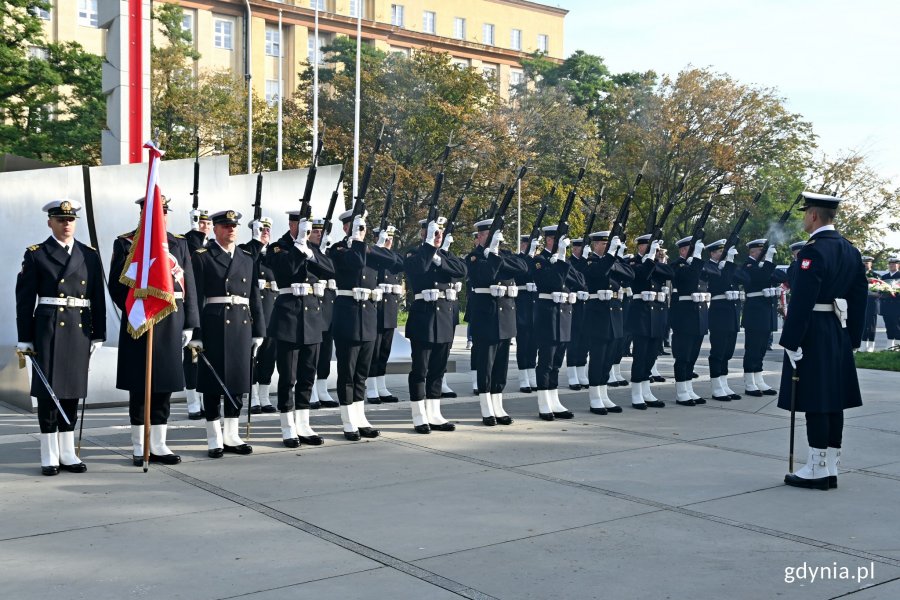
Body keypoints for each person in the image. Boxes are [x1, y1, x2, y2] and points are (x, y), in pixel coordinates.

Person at [779, 192, 868, 490]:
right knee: (833, 400)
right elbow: (859, 298)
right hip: (838, 329)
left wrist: (791, 340)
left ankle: (816, 468)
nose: (805, 218)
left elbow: (802, 300)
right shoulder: (850, 251)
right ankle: (830, 465)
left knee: (816, 398)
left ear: (814, 216)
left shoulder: (812, 251)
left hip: (813, 330)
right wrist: (852, 337)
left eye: (806, 213)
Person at [16, 200, 106, 475]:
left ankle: (68, 453)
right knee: (48, 393)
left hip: (79, 328)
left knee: (72, 391)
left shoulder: (88, 254)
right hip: (49, 329)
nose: (66, 224)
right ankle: (49, 455)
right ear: (50, 222)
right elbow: (24, 299)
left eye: (70, 220)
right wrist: (25, 337)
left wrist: (98, 333)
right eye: (60, 220)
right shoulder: (37, 254)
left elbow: (97, 297)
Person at [109, 197, 199, 467]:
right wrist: (140, 303)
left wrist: (190, 322)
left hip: (171, 319)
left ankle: (159, 444)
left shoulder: (179, 243)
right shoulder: (126, 242)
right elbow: (116, 284)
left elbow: (189, 283)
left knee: (164, 385)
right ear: (142, 214)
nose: (160, 217)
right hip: (140, 321)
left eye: (163, 212)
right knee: (140, 384)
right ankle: (140, 446)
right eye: (153, 212)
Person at [189, 210, 265, 457]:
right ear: (215, 229)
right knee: (213, 383)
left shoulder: (246, 257)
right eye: (225, 225)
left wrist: (259, 331)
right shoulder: (203, 256)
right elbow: (196, 297)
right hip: (214, 323)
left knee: (238, 381)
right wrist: (196, 332)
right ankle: (215, 438)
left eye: (234, 225)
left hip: (242, 324)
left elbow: (255, 296)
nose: (231, 229)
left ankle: (232, 435)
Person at [266, 210, 335, 447]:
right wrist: (298, 248)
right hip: (288, 319)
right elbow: (284, 269)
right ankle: (288, 426)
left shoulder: (311, 247)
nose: (304, 230)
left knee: (308, 375)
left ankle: (304, 424)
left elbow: (329, 269)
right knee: (288, 377)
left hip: (312, 320)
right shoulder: (278, 246)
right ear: (291, 224)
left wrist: (311, 254)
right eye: (299, 225)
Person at [328, 209, 398, 440]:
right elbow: (356, 264)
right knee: (347, 373)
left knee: (361, 373)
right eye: (356, 226)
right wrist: (358, 243)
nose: (361, 230)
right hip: (347, 316)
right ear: (346, 227)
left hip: (369, 317)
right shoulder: (337, 249)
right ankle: (348, 421)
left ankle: (360, 417)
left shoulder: (367, 248)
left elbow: (394, 261)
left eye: (363, 227)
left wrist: (370, 246)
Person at [404, 218, 467, 433]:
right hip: (424, 319)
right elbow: (419, 269)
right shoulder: (415, 253)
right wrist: (430, 248)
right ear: (424, 233)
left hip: (445, 321)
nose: (438, 236)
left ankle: (434, 412)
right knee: (420, 369)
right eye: (433, 232)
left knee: (438, 370)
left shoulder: (446, 256)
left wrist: (440, 259)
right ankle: (419, 415)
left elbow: (461, 271)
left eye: (439, 233)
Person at [466, 219, 529, 426]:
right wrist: (491, 255)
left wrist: (495, 255)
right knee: (486, 364)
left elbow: (522, 268)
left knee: (501, 366)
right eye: (487, 235)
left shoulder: (505, 255)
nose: (492, 238)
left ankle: (498, 404)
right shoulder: (474, 257)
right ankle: (486, 407)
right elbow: (485, 275)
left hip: (506, 318)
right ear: (480, 236)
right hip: (487, 317)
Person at [531, 225, 586, 420]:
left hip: (564, 316)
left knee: (556, 363)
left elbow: (580, 282)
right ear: (548, 240)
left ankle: (554, 400)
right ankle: (543, 402)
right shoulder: (539, 260)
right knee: (546, 362)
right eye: (556, 240)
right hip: (547, 316)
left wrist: (562, 259)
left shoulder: (562, 260)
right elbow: (552, 282)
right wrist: (559, 261)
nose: (559, 244)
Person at [582, 231, 634, 414]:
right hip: (598, 315)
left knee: (608, 359)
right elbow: (597, 273)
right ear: (595, 245)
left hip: (615, 314)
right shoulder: (590, 261)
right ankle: (595, 397)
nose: (605, 247)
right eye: (603, 244)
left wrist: (614, 259)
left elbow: (631, 274)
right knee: (598, 358)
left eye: (608, 244)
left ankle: (604, 395)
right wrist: (610, 258)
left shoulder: (612, 261)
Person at [626, 235, 673, 409]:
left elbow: (670, 273)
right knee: (640, 355)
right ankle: (637, 393)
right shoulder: (633, 262)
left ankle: (646, 390)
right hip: (642, 315)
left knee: (652, 354)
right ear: (640, 247)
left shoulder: (655, 263)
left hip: (658, 314)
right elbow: (641, 274)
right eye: (649, 247)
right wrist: (651, 260)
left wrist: (660, 260)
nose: (653, 250)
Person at [668, 236, 715, 406]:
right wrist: (695, 258)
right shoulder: (677, 265)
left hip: (699, 316)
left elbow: (713, 272)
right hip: (684, 316)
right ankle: (681, 392)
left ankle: (688, 388)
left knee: (692, 356)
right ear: (682, 250)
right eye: (690, 249)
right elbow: (687, 278)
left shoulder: (697, 263)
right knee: (683, 356)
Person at [239, 216, 278, 415]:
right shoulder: (246, 250)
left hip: (271, 312)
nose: (265, 233)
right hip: (253, 312)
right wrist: (256, 243)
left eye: (267, 230)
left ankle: (264, 396)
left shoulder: (274, 253)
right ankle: (253, 396)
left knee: (269, 356)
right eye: (261, 229)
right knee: (251, 356)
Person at [740, 239, 787, 397]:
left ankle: (758, 379)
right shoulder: (748, 265)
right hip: (755, 312)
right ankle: (749, 382)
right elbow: (760, 277)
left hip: (766, 312)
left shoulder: (762, 266)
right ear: (752, 252)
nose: (763, 253)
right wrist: (767, 263)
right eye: (761, 251)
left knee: (761, 349)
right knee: (752, 348)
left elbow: (780, 276)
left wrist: (766, 264)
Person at [365, 224, 405, 404]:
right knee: (373, 352)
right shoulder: (371, 255)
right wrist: (378, 248)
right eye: (385, 238)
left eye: (391, 238)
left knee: (384, 351)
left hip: (389, 310)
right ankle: (371, 387)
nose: (389, 241)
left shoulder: (393, 257)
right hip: (375, 309)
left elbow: (400, 263)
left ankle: (381, 386)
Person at [706, 240, 748, 401]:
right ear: (712, 253)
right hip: (718, 314)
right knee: (718, 351)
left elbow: (745, 279)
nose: (720, 254)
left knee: (727, 352)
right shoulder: (709, 267)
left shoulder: (727, 267)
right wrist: (728, 264)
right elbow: (719, 283)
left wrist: (730, 264)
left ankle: (724, 383)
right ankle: (717, 386)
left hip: (731, 314)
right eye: (718, 252)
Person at [183, 209, 212, 419]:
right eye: (200, 222)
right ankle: (193, 402)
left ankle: (205, 398)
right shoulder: (188, 242)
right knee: (192, 359)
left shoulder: (212, 246)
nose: (204, 226)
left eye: (207, 223)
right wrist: (194, 234)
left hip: (211, 311)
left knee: (208, 359)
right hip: (195, 310)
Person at [309, 218, 339, 409]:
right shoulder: (306, 252)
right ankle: (310, 389)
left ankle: (322, 388)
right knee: (312, 352)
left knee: (326, 351)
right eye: (315, 231)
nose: (319, 234)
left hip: (329, 308)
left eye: (322, 232)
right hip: (312, 308)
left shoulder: (328, 253)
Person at [514, 234, 540, 392]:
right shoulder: (518, 259)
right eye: (529, 245)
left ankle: (531, 374)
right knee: (523, 342)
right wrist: (530, 257)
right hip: (522, 304)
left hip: (535, 305)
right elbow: (523, 272)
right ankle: (523, 376)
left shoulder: (538, 260)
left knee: (534, 343)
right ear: (523, 245)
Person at [565, 238, 591, 390]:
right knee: (574, 341)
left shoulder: (587, 261)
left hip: (586, 306)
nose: (581, 251)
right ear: (574, 249)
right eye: (580, 248)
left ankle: (581, 372)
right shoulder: (570, 262)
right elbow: (575, 279)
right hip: (574, 306)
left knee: (584, 341)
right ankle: (572, 374)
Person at [860, 255, 879, 352]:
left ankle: (871, 345)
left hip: (872, 303)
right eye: (863, 263)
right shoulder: (858, 274)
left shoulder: (875, 275)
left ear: (871, 264)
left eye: (867, 263)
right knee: (862, 324)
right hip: (861, 303)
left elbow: (880, 291)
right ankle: (863, 345)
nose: (865, 264)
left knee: (871, 325)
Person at [882, 257, 900, 348]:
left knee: (896, 325)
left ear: (898, 265)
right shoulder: (884, 277)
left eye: (894, 263)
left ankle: (897, 346)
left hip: (897, 305)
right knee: (888, 325)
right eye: (890, 264)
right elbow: (880, 289)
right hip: (886, 305)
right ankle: (889, 346)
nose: (892, 265)